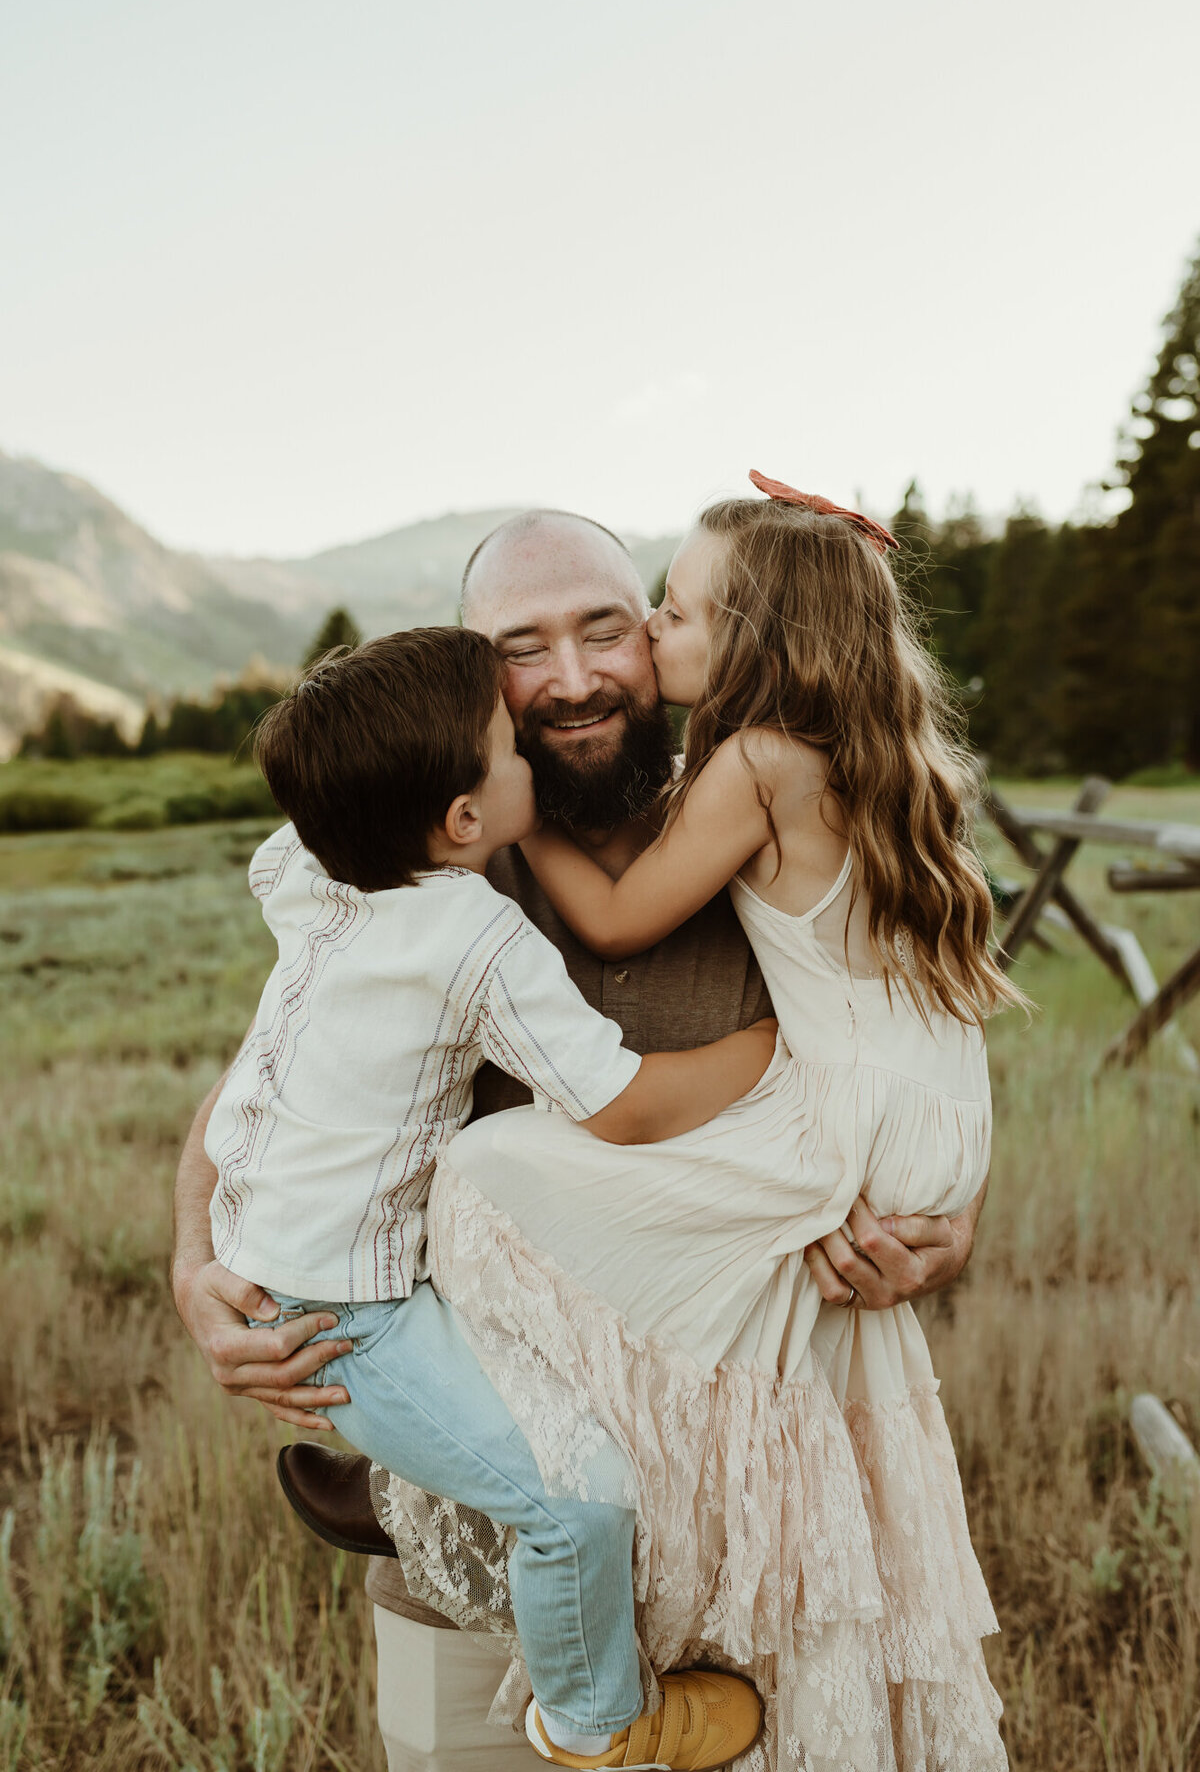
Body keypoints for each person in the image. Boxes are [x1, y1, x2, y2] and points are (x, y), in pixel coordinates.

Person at [171, 506, 987, 1772]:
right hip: (486, 1551)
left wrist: (946, 1233)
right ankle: (419, 1514)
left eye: (611, 628)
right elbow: (261, 1086)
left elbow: (912, 1049)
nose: (572, 678)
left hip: (746, 1551)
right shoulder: (402, 842)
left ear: (669, 637)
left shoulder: (776, 807)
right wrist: (193, 1263)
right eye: (521, 647)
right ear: (472, 670)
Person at [203, 624, 771, 1770]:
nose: (532, 746)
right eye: (511, 744)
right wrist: (773, 1054)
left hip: (288, 1267)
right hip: (341, 1319)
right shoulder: (471, 926)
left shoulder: (308, 869)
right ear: (464, 821)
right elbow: (611, 1100)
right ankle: (600, 1721)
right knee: (576, 1499)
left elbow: (294, 841)